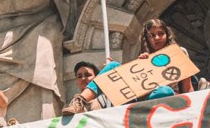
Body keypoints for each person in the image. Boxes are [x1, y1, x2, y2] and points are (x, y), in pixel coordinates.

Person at [65, 18, 193, 114]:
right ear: (147, 39)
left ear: (167, 34)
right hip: (137, 99)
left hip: (166, 98)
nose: (157, 37)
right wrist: (142, 63)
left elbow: (187, 87)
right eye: (152, 35)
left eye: (160, 33)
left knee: (166, 91)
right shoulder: (145, 58)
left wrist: (194, 105)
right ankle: (79, 102)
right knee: (113, 65)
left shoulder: (179, 53)